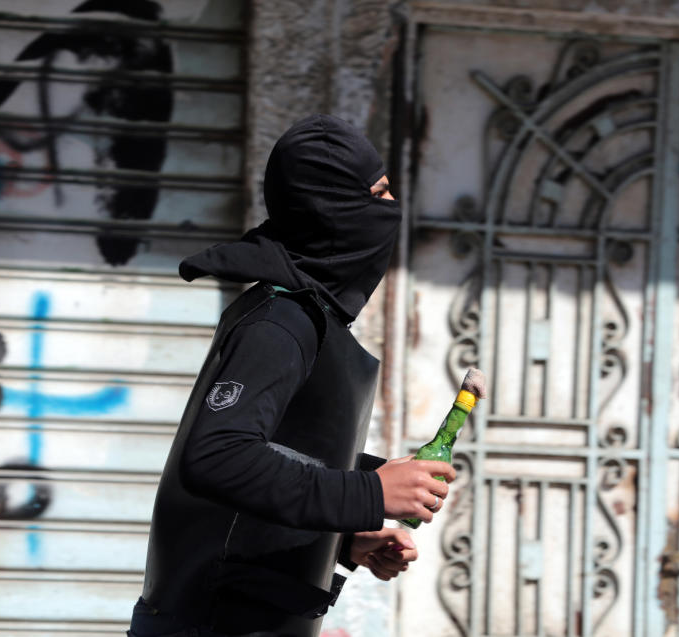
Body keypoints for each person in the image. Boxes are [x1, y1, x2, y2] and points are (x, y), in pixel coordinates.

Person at [129, 114, 457, 637]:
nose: (391, 210)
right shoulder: (279, 323)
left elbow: (271, 462)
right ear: (334, 211)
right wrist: (369, 494)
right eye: (378, 192)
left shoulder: (304, 317)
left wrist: (346, 536)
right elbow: (218, 458)